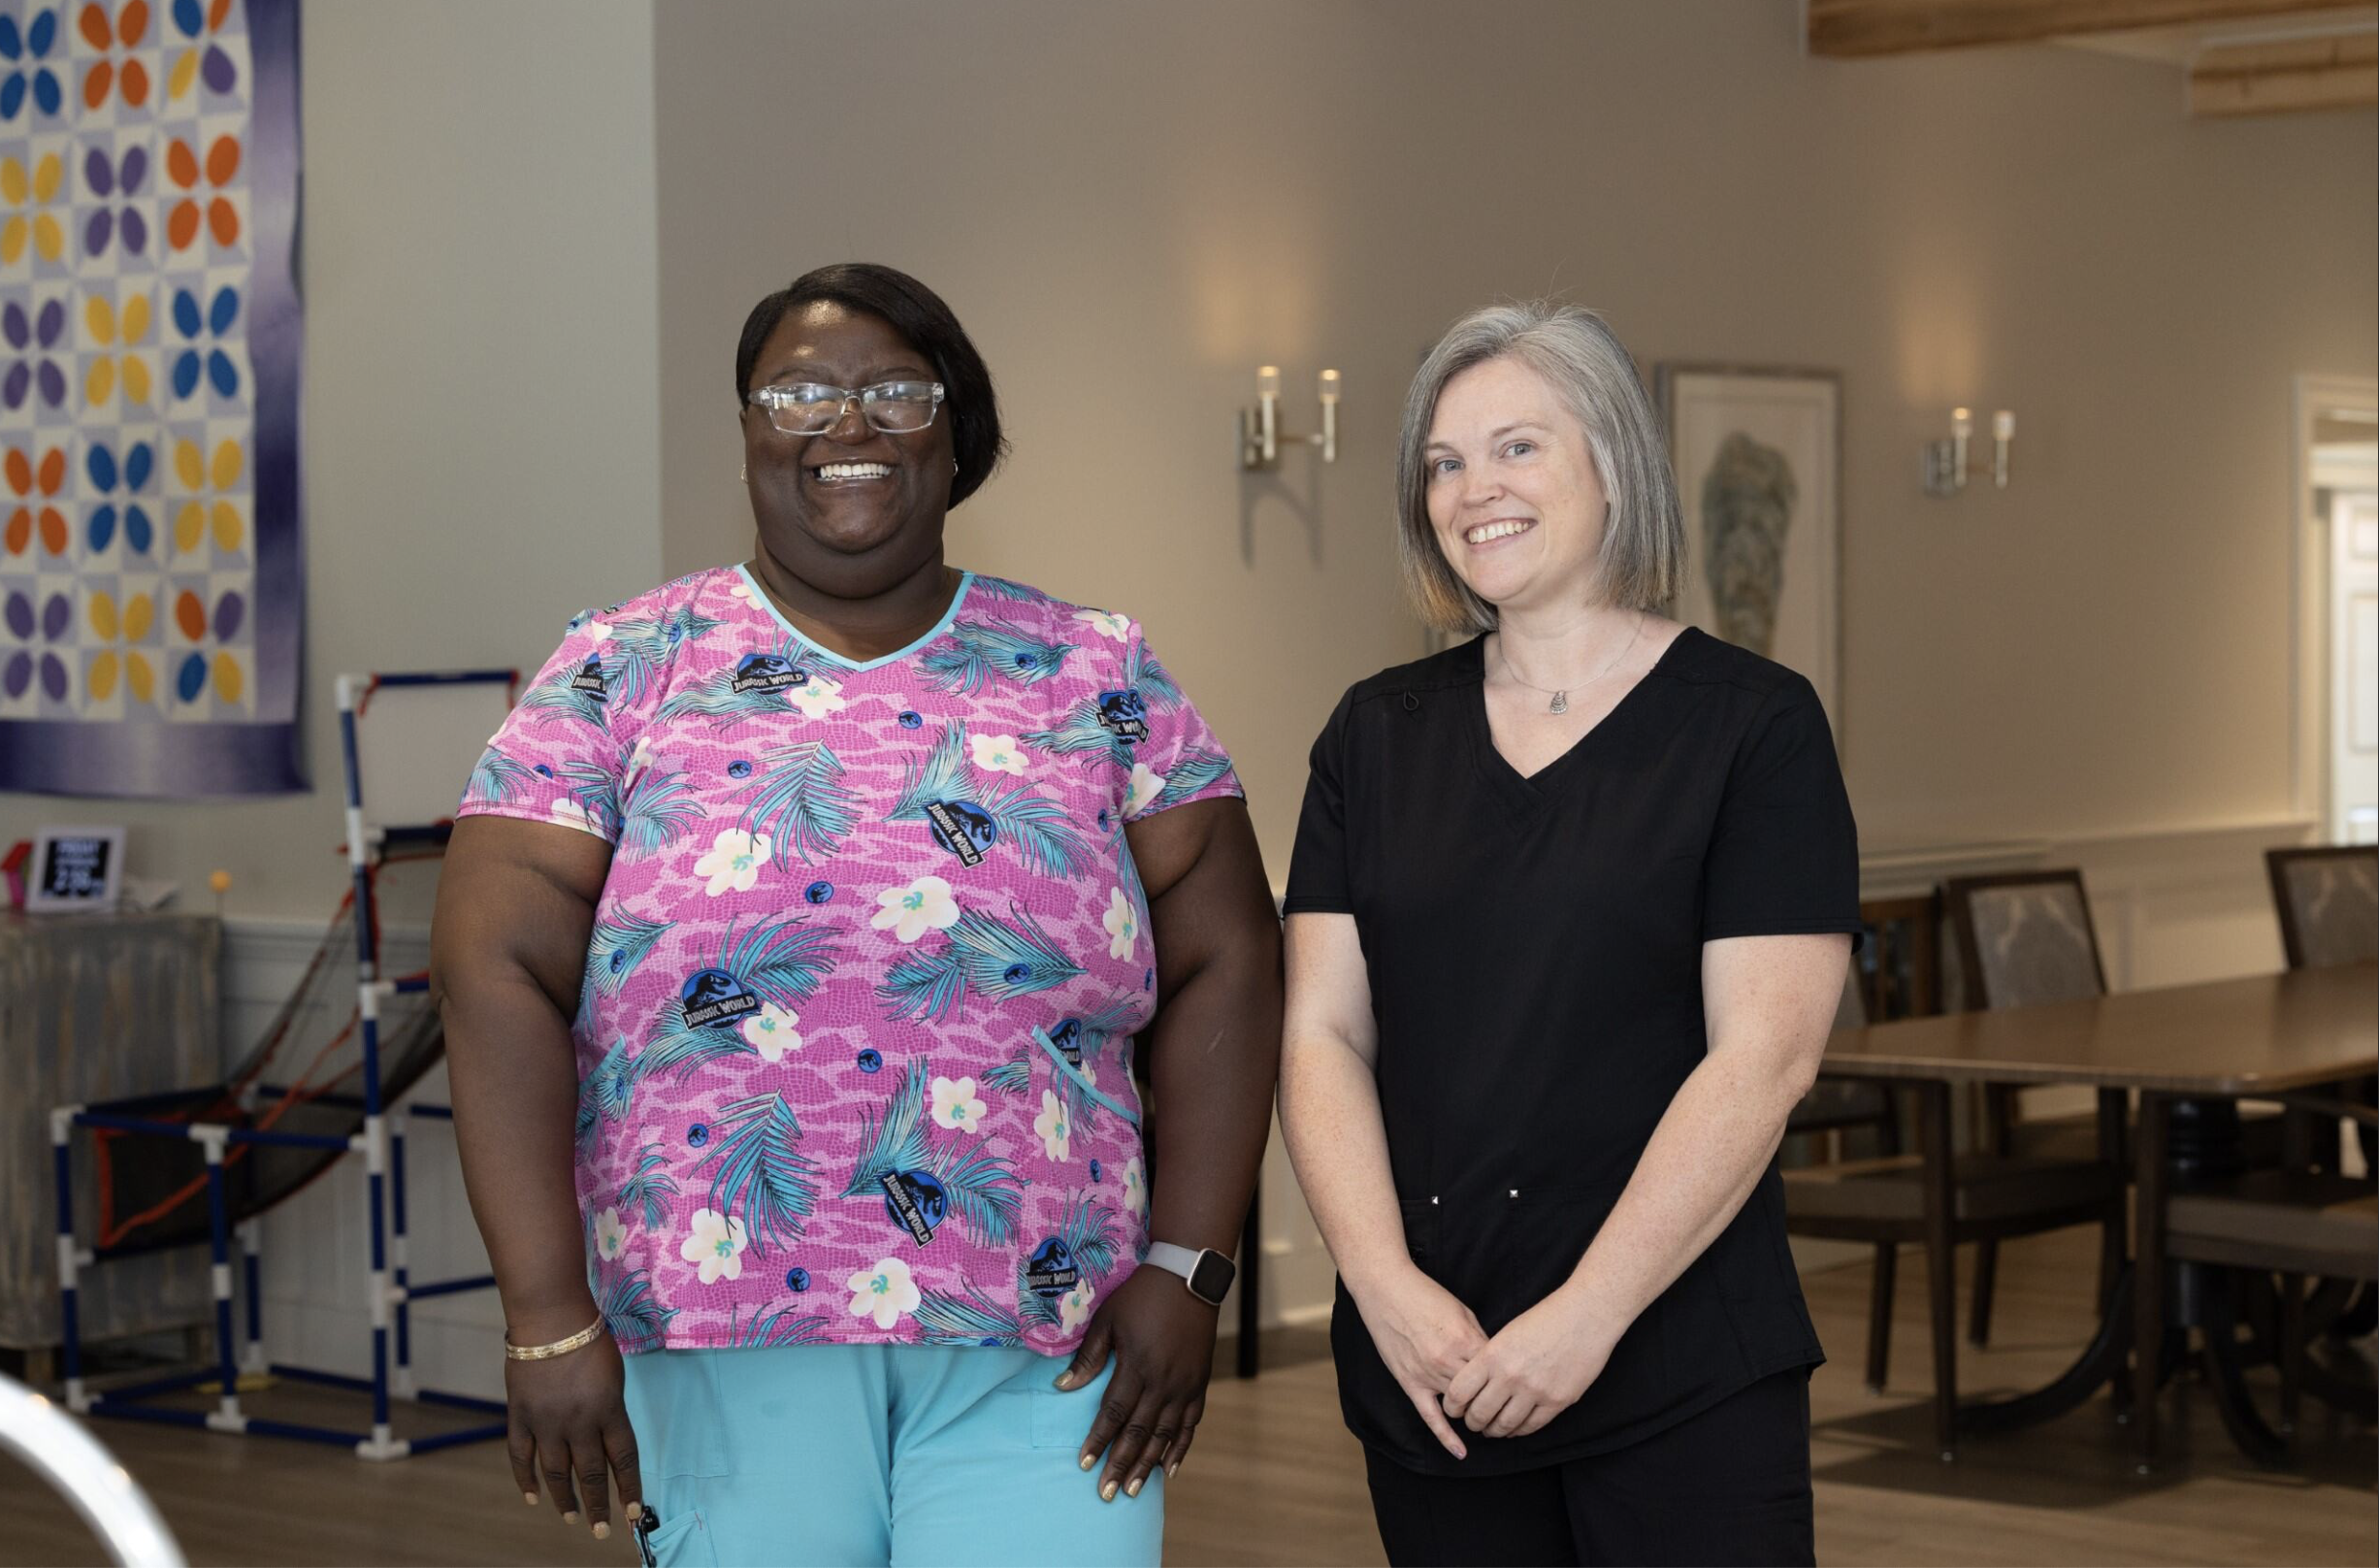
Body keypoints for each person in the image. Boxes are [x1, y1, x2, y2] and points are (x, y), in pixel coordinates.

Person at [431, 263, 1281, 1567]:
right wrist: (546, 1316)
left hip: (1048, 1336)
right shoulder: (620, 667)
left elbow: (1229, 953)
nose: (847, 424)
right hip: (719, 1328)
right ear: (750, 433)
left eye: (897, 391)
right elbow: (492, 967)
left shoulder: (1094, 670)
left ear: (956, 436)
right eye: (798, 393)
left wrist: (1190, 1264)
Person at [1277, 303, 1857, 1567]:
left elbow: (1763, 1060)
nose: (1474, 488)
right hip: (1434, 1364)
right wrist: (1382, 1290)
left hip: (1677, 1354)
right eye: (1444, 461)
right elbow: (1320, 1030)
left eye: (1517, 447)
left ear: (1613, 464)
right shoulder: (1373, 736)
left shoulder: (1753, 728)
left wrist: (1586, 1317)